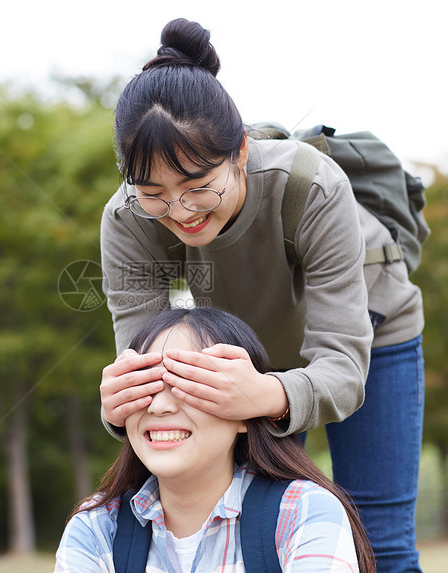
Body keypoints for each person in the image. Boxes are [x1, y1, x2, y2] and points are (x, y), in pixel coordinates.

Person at [98, 18, 425, 573]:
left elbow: (343, 369)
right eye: (154, 193)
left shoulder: (312, 187)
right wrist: (121, 402)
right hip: (239, 365)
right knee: (249, 535)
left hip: (368, 336)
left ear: (241, 151)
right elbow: (143, 367)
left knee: (378, 541)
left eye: (199, 186)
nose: (180, 212)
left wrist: (266, 394)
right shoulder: (128, 220)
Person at [56, 307, 375, 572]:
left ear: (244, 411)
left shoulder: (304, 512)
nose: (160, 405)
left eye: (188, 384)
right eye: (146, 386)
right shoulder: (96, 528)